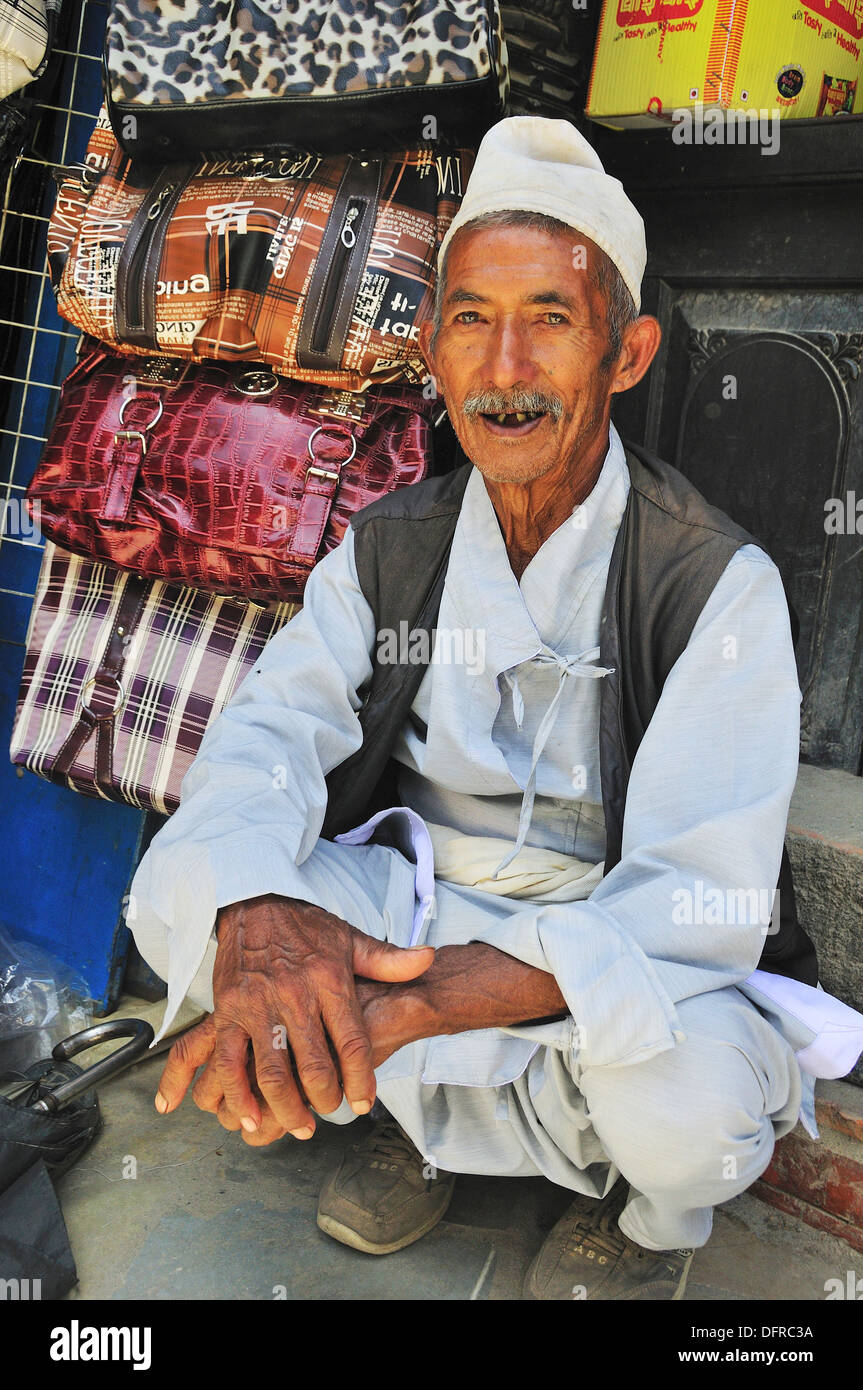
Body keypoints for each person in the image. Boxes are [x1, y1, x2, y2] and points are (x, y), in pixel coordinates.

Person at [127, 117, 820, 1300]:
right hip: (417, 899)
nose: (503, 369)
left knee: (688, 1115)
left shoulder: (711, 580)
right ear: (434, 354)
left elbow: (689, 902)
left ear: (627, 352)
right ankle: (424, 1120)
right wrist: (260, 922)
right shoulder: (388, 548)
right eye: (469, 320)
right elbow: (266, 743)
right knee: (182, 905)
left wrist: (411, 1004)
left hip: (601, 937)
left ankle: (646, 1219)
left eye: (549, 320)